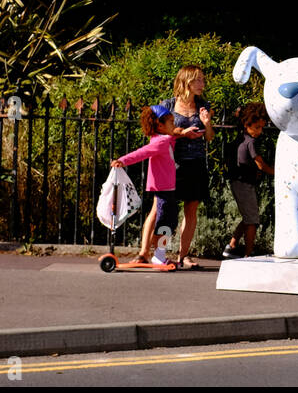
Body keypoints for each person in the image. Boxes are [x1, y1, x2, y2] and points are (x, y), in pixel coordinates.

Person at [110, 105, 199, 265]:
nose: (175, 125)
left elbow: (173, 135)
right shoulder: (161, 142)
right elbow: (141, 153)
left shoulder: (164, 139)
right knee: (165, 222)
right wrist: (122, 160)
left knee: (168, 222)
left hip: (167, 188)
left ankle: (159, 253)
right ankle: (159, 255)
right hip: (163, 189)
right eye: (171, 122)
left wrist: (182, 133)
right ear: (160, 125)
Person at [162, 66, 214, 269]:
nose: (202, 84)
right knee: (166, 210)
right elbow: (159, 132)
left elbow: (209, 137)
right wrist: (182, 133)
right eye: (198, 80)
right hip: (173, 163)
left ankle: (183, 255)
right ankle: (161, 252)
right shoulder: (169, 105)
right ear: (187, 82)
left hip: (196, 162)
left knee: (191, 211)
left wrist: (206, 123)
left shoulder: (203, 105)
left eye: (203, 80)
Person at [224, 103, 274, 259]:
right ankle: (248, 253)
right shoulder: (250, 142)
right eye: (257, 127)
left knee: (248, 218)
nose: (260, 131)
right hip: (243, 184)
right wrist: (276, 172)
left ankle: (231, 246)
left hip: (241, 182)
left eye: (261, 127)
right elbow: (259, 163)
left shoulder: (242, 138)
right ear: (247, 124)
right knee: (252, 220)